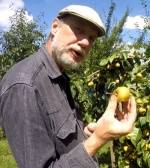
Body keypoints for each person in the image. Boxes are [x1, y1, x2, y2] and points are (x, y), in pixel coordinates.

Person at [0, 5, 137, 168]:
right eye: (79, 29)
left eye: (92, 38)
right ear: (55, 26)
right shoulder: (25, 86)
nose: (86, 42)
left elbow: (58, 135)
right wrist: (98, 140)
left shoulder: (59, 78)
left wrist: (86, 131)